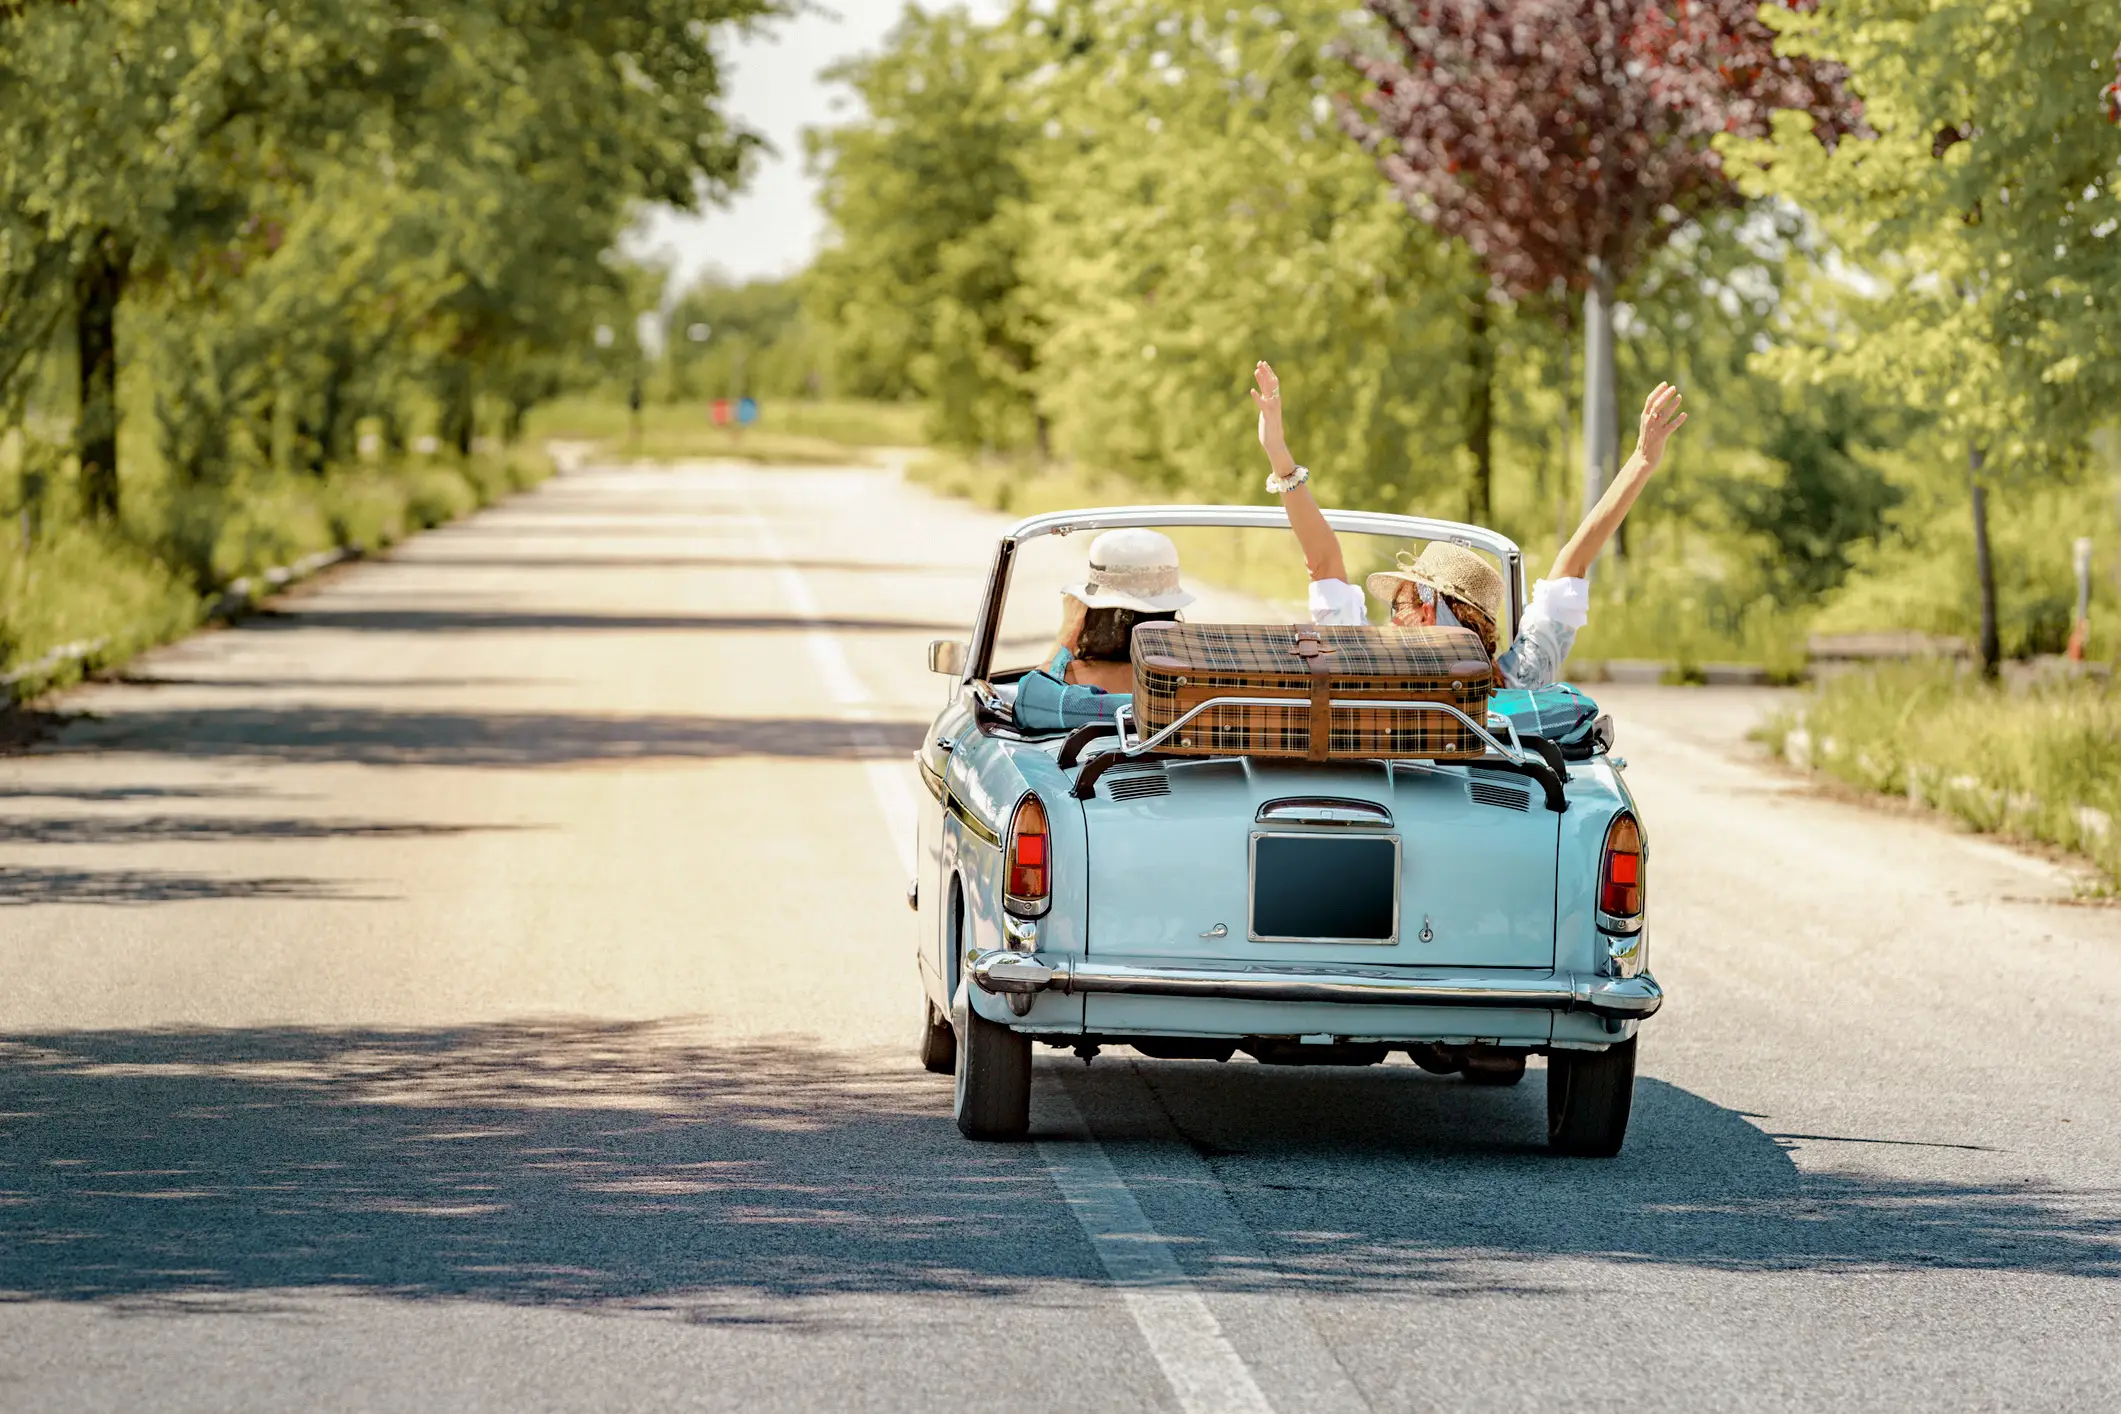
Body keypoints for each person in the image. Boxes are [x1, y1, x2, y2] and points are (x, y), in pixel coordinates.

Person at [1248, 360, 1687, 690]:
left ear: (1424, 610)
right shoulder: (1519, 681)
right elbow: (1573, 564)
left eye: (1396, 607)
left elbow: (1322, 563)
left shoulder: (1365, 668)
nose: (1391, 621)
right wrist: (1642, 462)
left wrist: (1279, 455)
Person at [1012, 528, 1194, 731]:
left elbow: (1029, 702)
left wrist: (1070, 628)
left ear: (1092, 611)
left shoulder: (1066, 688)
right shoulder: (1195, 686)